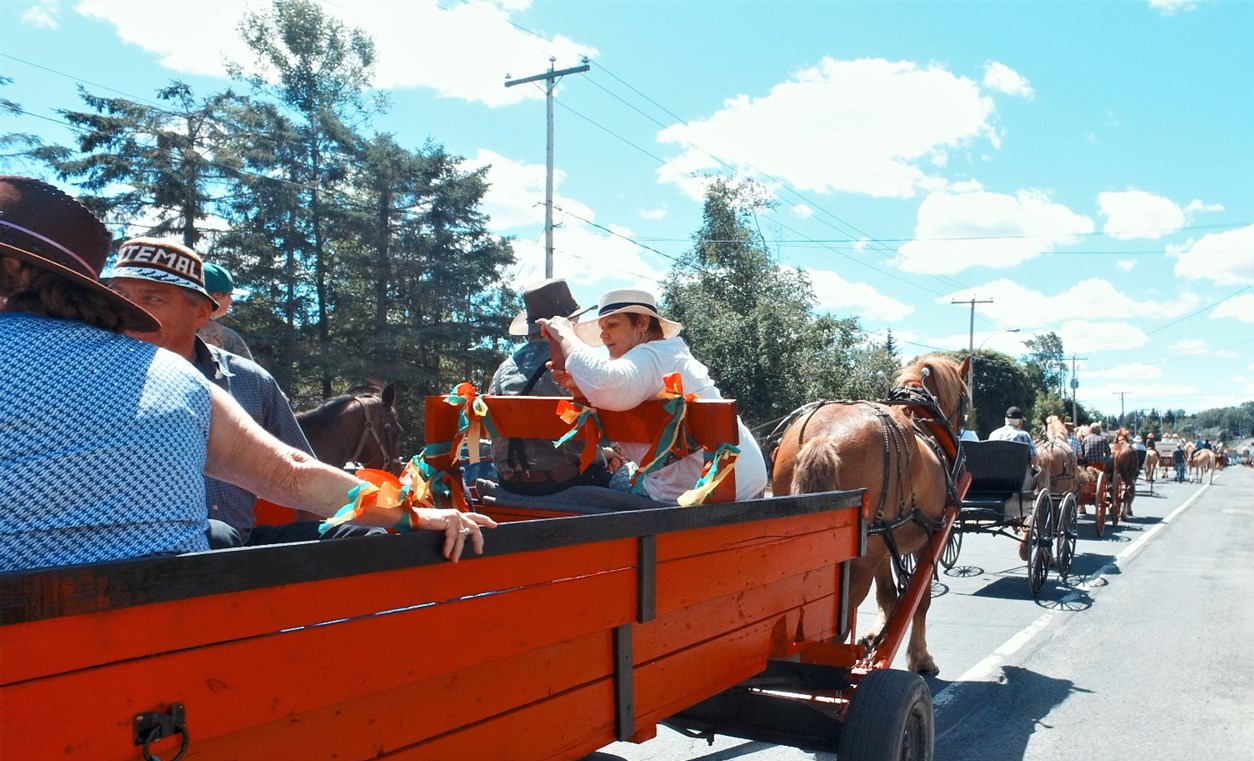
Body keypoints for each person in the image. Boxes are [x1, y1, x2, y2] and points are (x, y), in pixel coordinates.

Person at [0, 176, 494, 572]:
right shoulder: (177, 379)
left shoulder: (235, 377)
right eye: (128, 294)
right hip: (174, 621)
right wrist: (418, 515)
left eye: (152, 296)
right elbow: (291, 475)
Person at [109, 236, 371, 548]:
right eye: (120, 296)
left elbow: (301, 478)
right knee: (216, 536)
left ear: (202, 314)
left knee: (364, 536)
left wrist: (408, 516)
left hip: (243, 547)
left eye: (152, 299)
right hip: (151, 557)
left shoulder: (251, 381)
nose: (130, 311)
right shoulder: (95, 377)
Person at [536, 289, 767, 508]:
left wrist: (565, 334)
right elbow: (610, 386)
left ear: (643, 323)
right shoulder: (663, 356)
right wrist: (578, 385)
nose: (604, 334)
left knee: (616, 479)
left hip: (706, 493)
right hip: (736, 485)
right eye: (602, 327)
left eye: (613, 325)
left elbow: (606, 384)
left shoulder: (652, 356)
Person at [484, 278, 614, 496]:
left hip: (510, 485)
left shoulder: (502, 370)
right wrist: (607, 455)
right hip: (565, 483)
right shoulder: (570, 365)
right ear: (566, 325)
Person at [197, 261, 254, 360]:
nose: (231, 300)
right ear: (217, 295)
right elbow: (252, 373)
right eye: (230, 295)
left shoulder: (169, 328)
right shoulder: (230, 338)